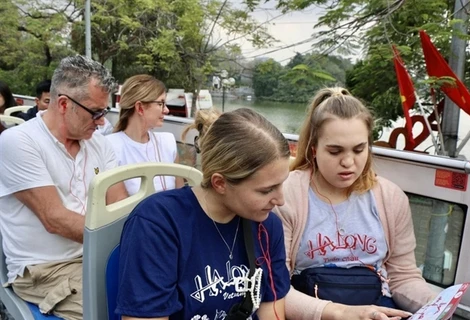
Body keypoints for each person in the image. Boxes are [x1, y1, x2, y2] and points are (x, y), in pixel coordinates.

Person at [273, 87, 436, 320]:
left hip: (376, 308)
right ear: (314, 149)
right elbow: (275, 287)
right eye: (335, 151)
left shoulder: (390, 198)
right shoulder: (288, 195)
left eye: (359, 150)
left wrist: (433, 305)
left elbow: (403, 276)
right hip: (313, 312)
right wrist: (339, 313)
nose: (348, 162)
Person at [116, 108, 291, 320]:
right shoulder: (158, 224)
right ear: (220, 183)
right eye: (266, 190)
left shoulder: (266, 227)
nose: (280, 200)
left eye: (281, 184)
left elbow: (272, 312)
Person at [0, 55, 129, 320]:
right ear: (63, 104)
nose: (102, 121)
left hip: (95, 258)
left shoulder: (99, 143)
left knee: (165, 295)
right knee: (124, 310)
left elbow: (119, 206)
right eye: (96, 112)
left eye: (104, 112)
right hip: (45, 269)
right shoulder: (18, 141)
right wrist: (133, 239)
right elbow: (54, 219)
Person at [106, 74, 183, 195]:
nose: (166, 110)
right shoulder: (111, 147)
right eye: (161, 103)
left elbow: (180, 197)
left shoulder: (168, 143)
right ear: (140, 108)